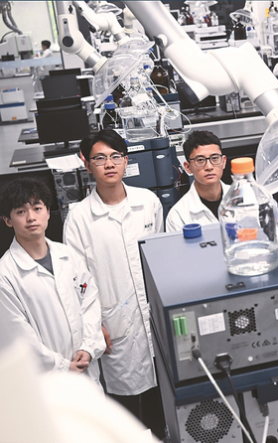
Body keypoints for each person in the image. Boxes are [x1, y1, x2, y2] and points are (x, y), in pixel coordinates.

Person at [63, 129, 165, 437]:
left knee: (165, 398)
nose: (109, 164)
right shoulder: (79, 218)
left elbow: (161, 259)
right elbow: (76, 281)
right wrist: (94, 324)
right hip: (112, 324)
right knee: (126, 409)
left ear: (126, 161)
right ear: (87, 164)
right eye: (100, 158)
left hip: (156, 317)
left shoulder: (148, 202)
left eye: (115, 157)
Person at [0, 178, 104, 382]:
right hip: (46, 380)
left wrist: (88, 347)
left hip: (86, 368)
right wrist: (62, 366)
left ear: (48, 212)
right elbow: (17, 335)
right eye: (20, 212)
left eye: (37, 208)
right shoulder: (5, 275)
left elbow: (89, 301)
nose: (31, 217)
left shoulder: (68, 255)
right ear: (7, 220)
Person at [166, 130, 230, 232]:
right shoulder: (178, 216)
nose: (209, 167)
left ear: (223, 161)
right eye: (200, 160)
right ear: (188, 167)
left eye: (214, 158)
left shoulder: (245, 198)